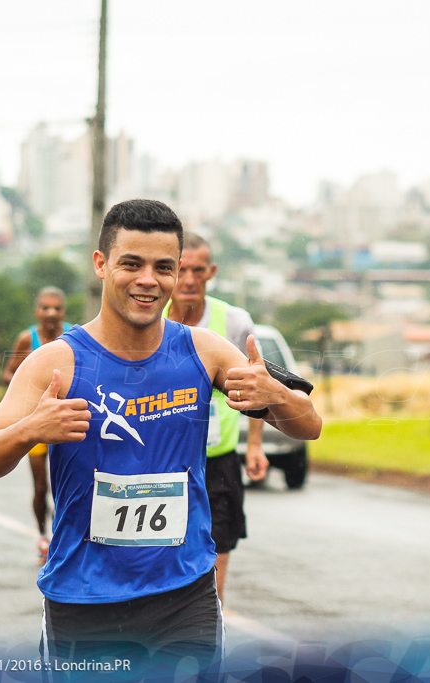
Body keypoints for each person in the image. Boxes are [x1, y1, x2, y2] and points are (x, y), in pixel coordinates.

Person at [0, 199, 321, 670]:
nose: (148, 280)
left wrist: (276, 392)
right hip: (83, 596)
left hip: (183, 593)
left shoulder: (206, 350)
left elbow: (308, 424)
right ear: (101, 265)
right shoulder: (55, 363)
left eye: (163, 267)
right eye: (131, 263)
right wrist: (30, 429)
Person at [166, 232, 267, 604]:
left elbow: (259, 386)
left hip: (218, 459)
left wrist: (254, 445)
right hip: (166, 459)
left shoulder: (235, 321)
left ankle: (209, 641)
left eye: (198, 270)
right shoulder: (150, 316)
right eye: (181, 270)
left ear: (212, 271)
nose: (189, 280)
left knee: (216, 558)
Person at [0, 286, 73, 563]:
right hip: (35, 423)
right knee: (41, 485)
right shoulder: (26, 339)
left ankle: (61, 535)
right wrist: (29, 381)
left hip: (64, 421)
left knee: (63, 485)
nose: (51, 313)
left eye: (57, 308)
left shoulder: (73, 336)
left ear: (63, 312)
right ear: (37, 311)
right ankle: (42, 535)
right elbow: (7, 373)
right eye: (45, 308)